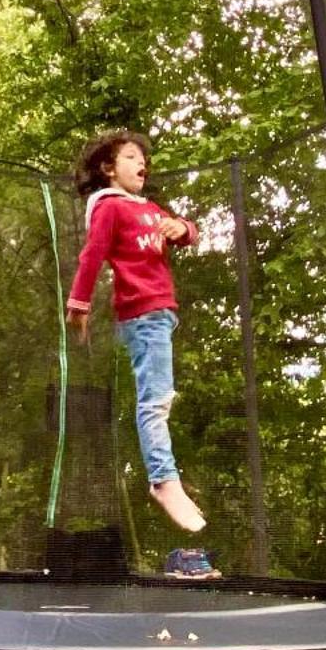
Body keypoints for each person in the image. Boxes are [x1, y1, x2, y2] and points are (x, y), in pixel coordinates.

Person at [65, 130, 207, 534]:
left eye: (142, 158)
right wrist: (79, 303)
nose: (141, 163)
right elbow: (92, 254)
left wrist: (182, 228)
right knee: (155, 402)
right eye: (130, 156)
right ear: (109, 168)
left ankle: (165, 477)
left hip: (160, 314)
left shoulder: (146, 207)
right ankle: (164, 481)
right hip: (143, 314)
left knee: (160, 398)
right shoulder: (109, 208)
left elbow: (182, 232)